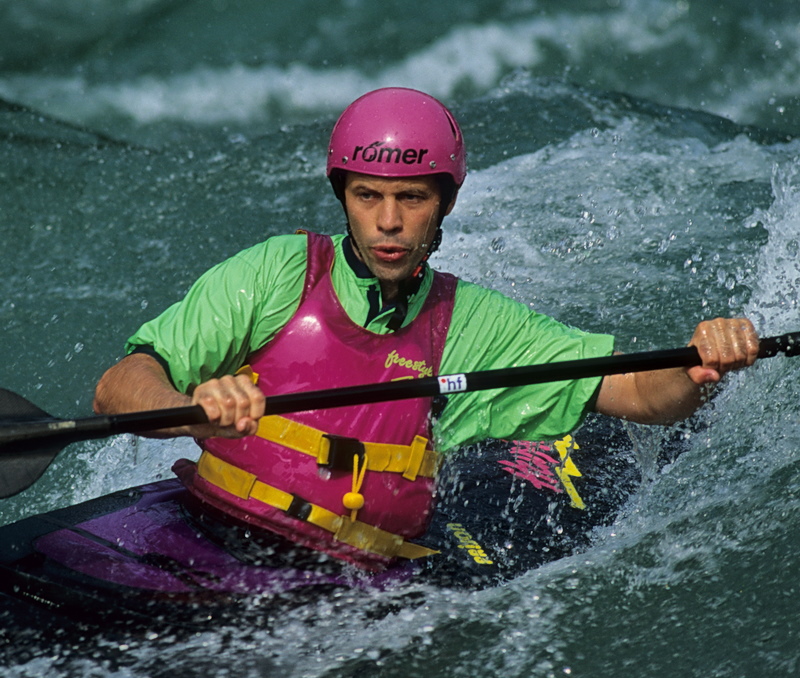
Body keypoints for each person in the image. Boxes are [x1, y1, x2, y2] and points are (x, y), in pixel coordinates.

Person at [94, 87, 760, 570]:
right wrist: (189, 408)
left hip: (342, 579)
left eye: (411, 198)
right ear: (343, 196)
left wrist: (699, 366)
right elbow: (121, 387)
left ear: (443, 204)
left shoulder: (468, 322)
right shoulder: (276, 274)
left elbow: (640, 396)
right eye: (367, 196)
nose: (388, 221)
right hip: (202, 527)